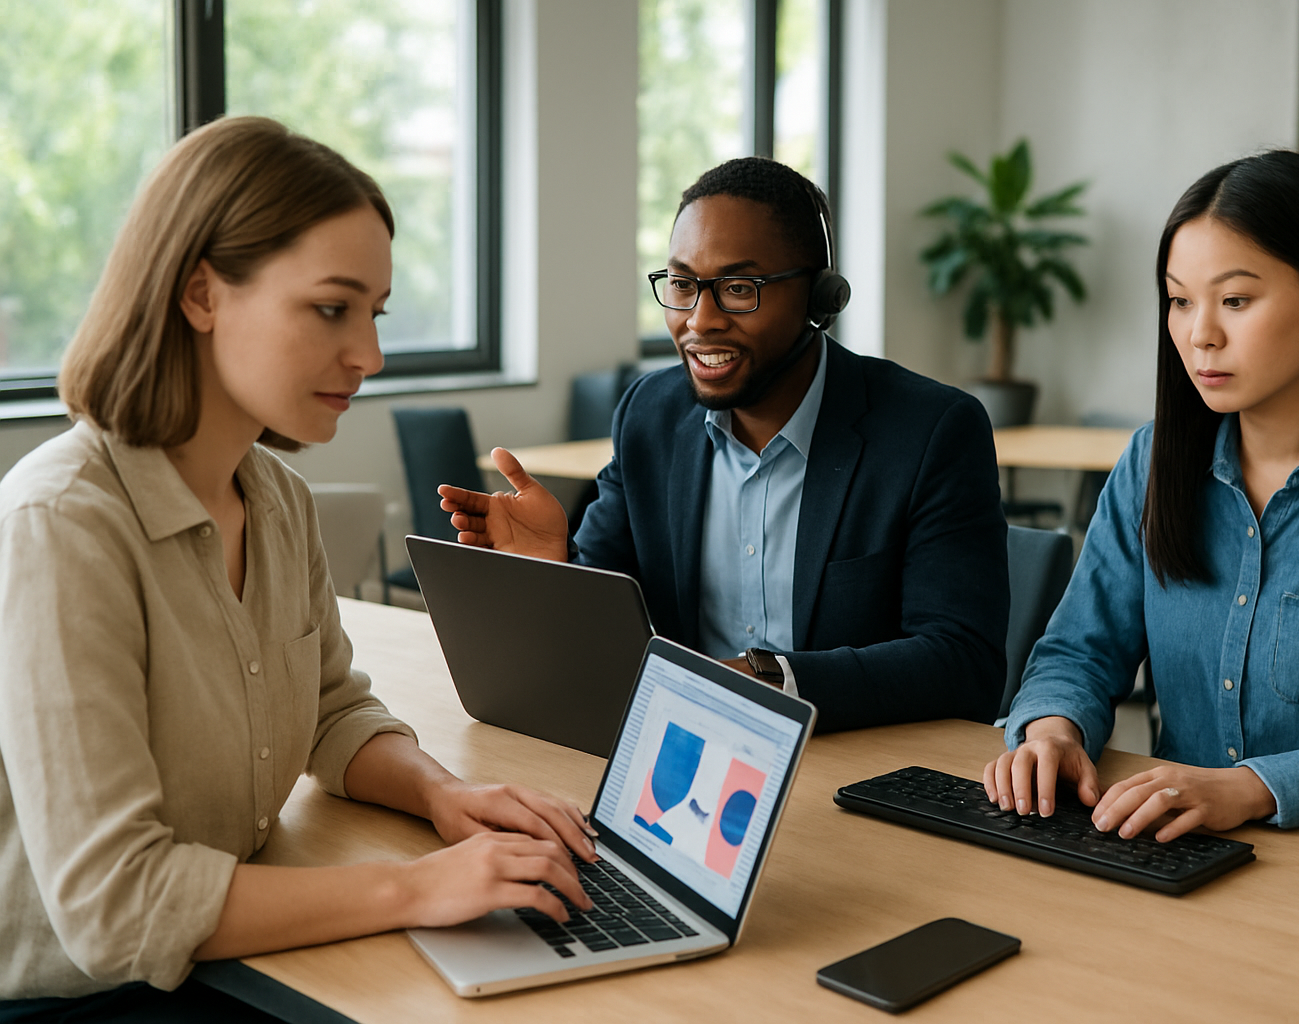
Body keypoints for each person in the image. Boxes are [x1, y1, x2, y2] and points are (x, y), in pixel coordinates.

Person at [0, 117, 598, 1019]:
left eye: (375, 314)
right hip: (82, 997)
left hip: (233, 955)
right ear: (201, 294)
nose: (370, 355)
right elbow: (116, 908)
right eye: (332, 308)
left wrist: (448, 795)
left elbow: (331, 709)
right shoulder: (61, 526)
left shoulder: (274, 498)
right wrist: (421, 889)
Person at [983, 150, 1299, 840]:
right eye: (1180, 300)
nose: (1201, 335)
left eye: (1235, 300)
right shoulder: (1153, 461)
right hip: (1161, 848)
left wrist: (1253, 788)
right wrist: (1051, 729)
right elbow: (1080, 651)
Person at [440, 158, 1008, 731]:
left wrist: (768, 681)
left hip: (846, 766)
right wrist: (553, 572)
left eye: (739, 289)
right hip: (684, 756)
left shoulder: (930, 430)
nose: (700, 321)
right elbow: (607, 622)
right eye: (683, 286)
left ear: (819, 298)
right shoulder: (649, 417)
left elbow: (965, 662)